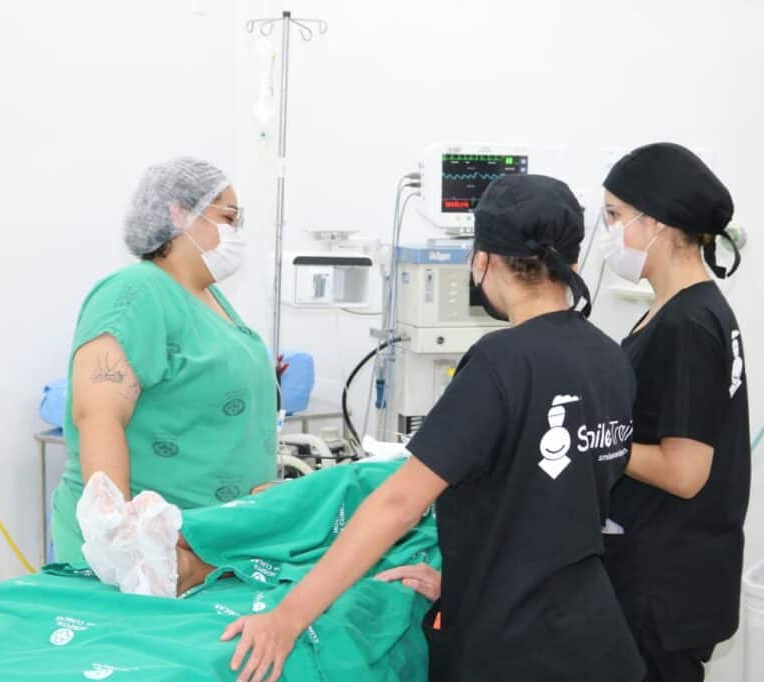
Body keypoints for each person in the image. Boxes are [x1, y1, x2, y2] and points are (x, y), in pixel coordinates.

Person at [219, 174, 646, 682]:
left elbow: (399, 503)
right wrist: (464, 584)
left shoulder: (502, 362)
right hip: (594, 637)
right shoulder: (609, 357)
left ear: (482, 259)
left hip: (518, 650)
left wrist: (286, 619)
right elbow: (550, 505)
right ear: (572, 262)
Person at [50, 156, 280, 564]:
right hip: (148, 550)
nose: (236, 231)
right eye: (228, 217)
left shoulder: (210, 299)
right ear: (179, 213)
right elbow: (99, 417)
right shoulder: (135, 292)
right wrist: (121, 539)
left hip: (208, 544)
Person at [596, 142, 751, 681]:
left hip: (664, 586)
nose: (608, 231)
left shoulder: (688, 325)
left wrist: (598, 441)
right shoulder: (679, 310)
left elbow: (685, 473)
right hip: (661, 570)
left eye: (614, 214)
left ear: (656, 222)